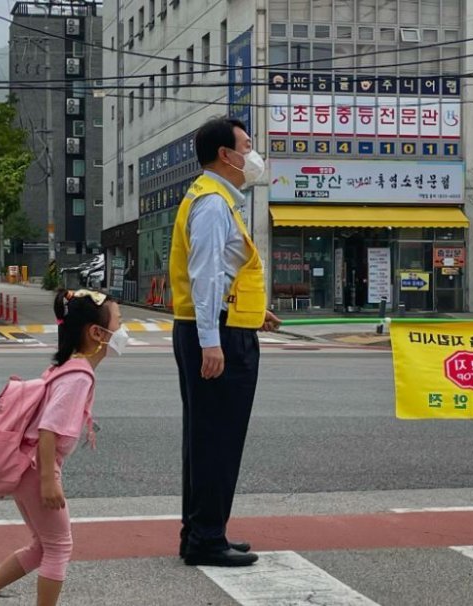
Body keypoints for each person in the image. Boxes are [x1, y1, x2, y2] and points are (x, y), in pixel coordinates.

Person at [0, 289, 128, 606]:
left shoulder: (69, 368)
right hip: (38, 470)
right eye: (119, 321)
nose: (123, 329)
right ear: (97, 333)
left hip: (29, 467)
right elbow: (48, 430)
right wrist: (49, 480)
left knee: (43, 546)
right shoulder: (79, 377)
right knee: (60, 546)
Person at [169, 117, 281, 567]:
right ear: (225, 155)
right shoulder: (214, 204)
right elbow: (206, 274)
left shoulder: (213, 199)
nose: (252, 156)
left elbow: (226, 273)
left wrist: (255, 313)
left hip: (219, 326)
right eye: (247, 146)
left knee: (205, 437)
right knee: (217, 437)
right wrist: (212, 341)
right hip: (215, 334)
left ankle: (200, 531)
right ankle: (206, 538)